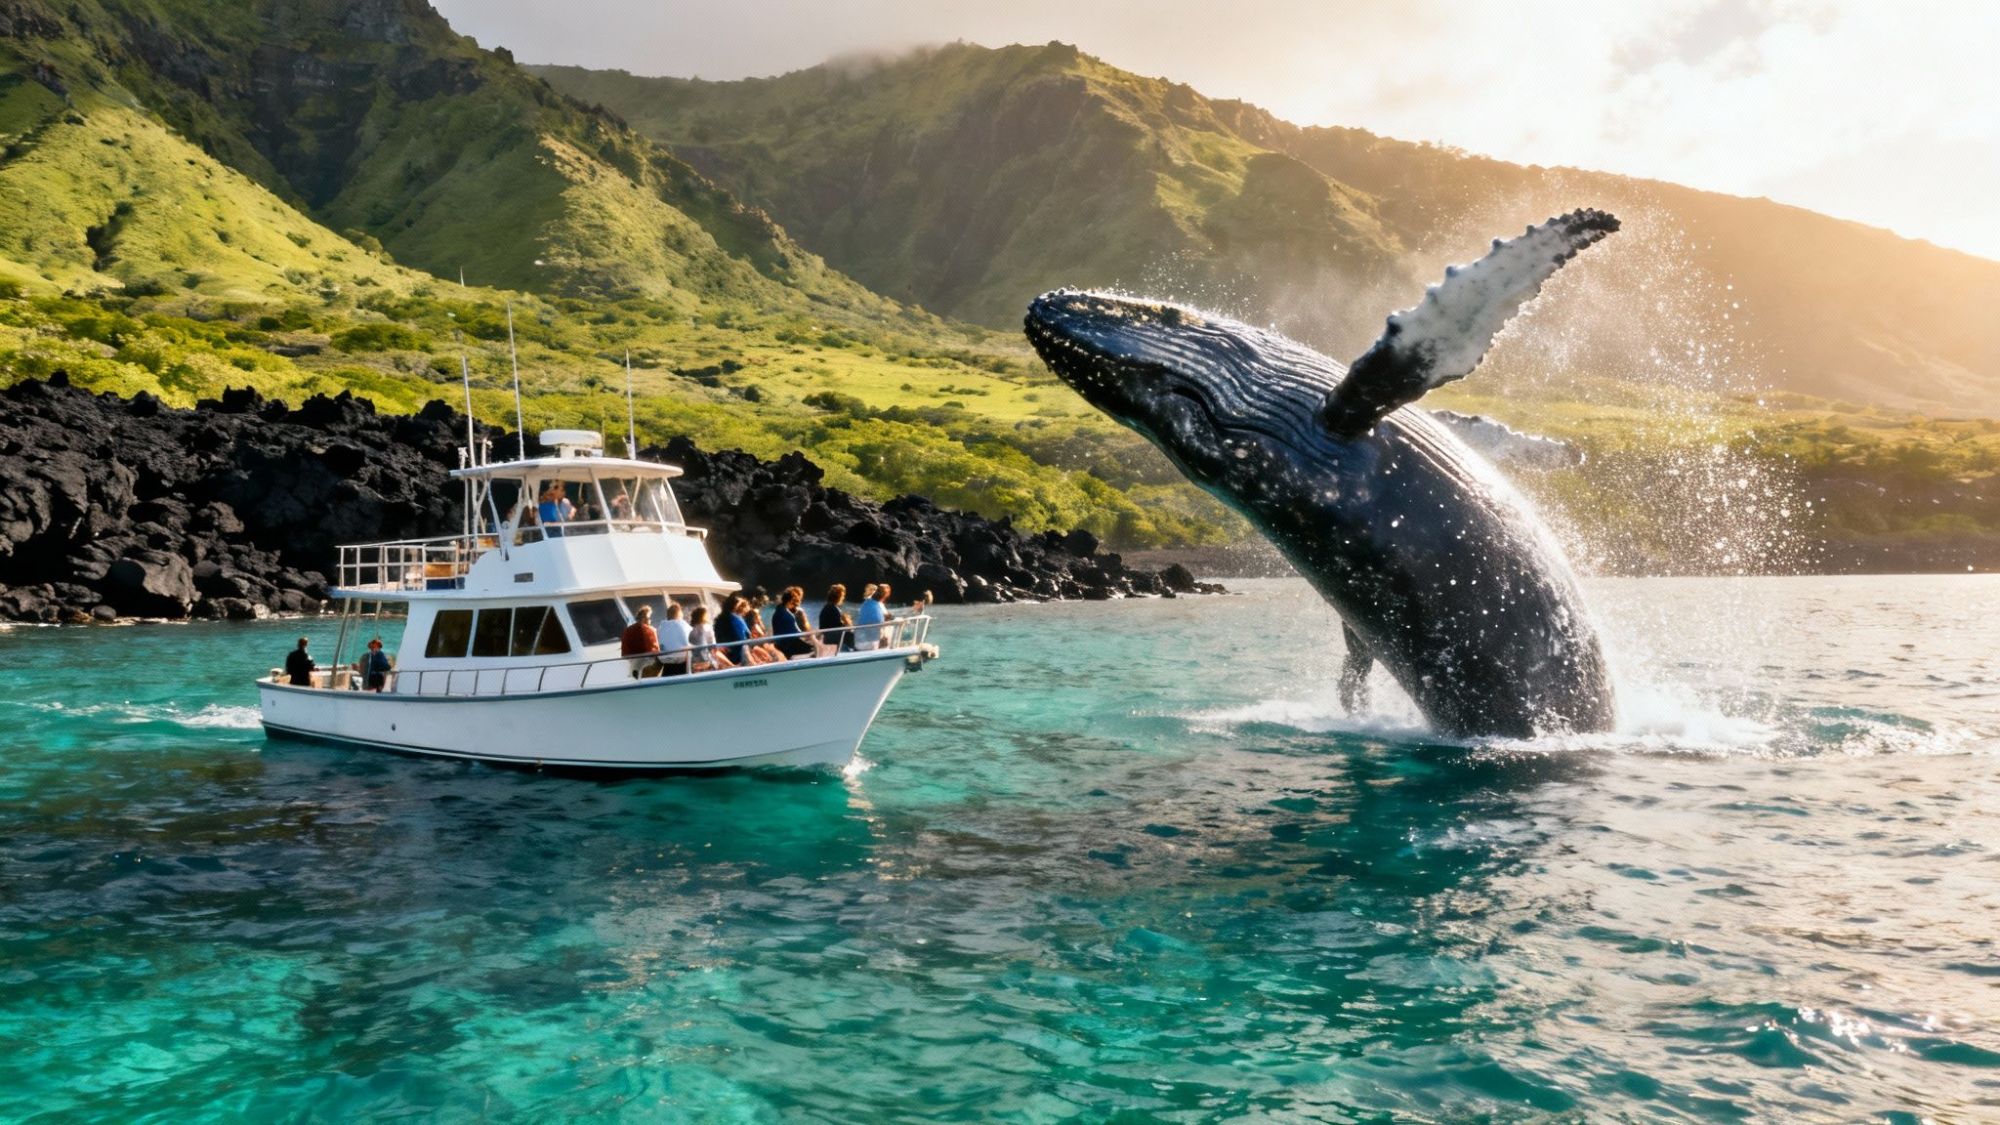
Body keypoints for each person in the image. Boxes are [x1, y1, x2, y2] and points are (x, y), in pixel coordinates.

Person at [770, 586, 817, 660]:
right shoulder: (785, 614)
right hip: (789, 644)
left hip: (783, 643)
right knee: (814, 648)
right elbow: (796, 631)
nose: (794, 606)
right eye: (793, 603)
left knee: (811, 645)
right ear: (790, 601)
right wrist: (809, 636)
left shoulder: (779, 611)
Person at [687, 605, 734, 671]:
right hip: (708, 664)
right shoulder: (708, 628)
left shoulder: (691, 632)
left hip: (694, 666)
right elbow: (714, 652)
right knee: (726, 666)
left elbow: (700, 649)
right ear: (705, 616)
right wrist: (731, 665)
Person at [621, 603, 661, 678]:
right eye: (649, 618)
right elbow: (656, 651)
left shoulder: (627, 631)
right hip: (648, 667)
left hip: (633, 666)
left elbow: (624, 655)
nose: (650, 620)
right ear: (643, 618)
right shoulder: (651, 630)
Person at [655, 602, 693, 676]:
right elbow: (694, 640)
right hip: (682, 665)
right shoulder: (683, 625)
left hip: (666, 665)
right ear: (679, 614)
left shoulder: (661, 627)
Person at [818, 584, 853, 653]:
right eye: (843, 596)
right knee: (852, 635)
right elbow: (842, 627)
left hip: (827, 637)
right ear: (839, 597)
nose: (843, 598)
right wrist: (847, 621)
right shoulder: (834, 610)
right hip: (833, 639)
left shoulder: (826, 608)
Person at [853, 583, 888, 651]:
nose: (867, 593)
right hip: (869, 640)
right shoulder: (871, 604)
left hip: (866, 639)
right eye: (868, 591)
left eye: (871, 590)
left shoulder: (868, 604)